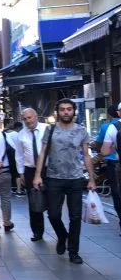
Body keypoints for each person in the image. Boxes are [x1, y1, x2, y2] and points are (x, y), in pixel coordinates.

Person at [34, 98, 96, 264]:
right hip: (54, 178)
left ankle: (73, 251)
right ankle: (62, 236)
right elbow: (42, 153)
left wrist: (91, 178)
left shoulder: (81, 131)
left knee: (75, 217)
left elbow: (86, 155)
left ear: (74, 111)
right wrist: (37, 175)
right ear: (58, 112)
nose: (66, 112)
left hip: (75, 178)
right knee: (53, 214)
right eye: (62, 109)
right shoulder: (51, 129)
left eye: (69, 109)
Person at [14, 108, 50, 242]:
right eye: (25, 119)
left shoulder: (47, 129)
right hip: (30, 170)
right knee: (34, 201)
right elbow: (19, 155)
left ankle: (59, 231)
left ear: (36, 117)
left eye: (30, 117)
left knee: (53, 199)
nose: (28, 121)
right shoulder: (21, 135)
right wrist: (21, 173)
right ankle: (37, 232)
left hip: (48, 169)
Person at [98, 103, 121, 233]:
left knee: (118, 195)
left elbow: (104, 151)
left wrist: (113, 148)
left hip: (116, 165)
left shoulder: (111, 127)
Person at [6, 122, 24, 193]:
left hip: (9, 156)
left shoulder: (8, 134)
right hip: (17, 155)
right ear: (19, 127)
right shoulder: (19, 135)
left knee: (11, 172)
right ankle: (19, 189)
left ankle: (12, 187)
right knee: (18, 173)